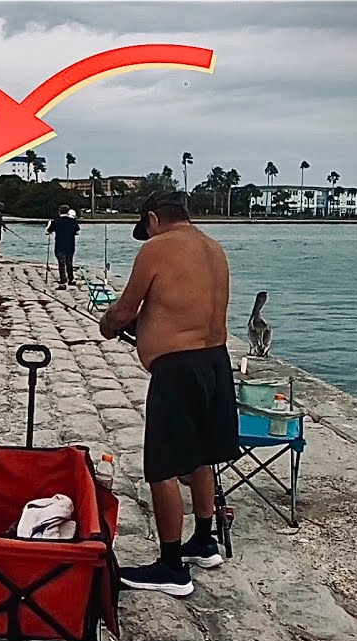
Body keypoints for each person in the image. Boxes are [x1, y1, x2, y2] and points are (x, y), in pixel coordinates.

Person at [98, 190, 241, 597]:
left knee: (162, 467)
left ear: (153, 219)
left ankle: (171, 566)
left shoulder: (157, 248)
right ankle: (204, 541)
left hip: (178, 371)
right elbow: (182, 307)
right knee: (199, 455)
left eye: (146, 229)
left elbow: (125, 310)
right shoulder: (213, 247)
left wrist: (107, 325)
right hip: (215, 361)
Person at [45, 204, 80, 289]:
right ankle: (71, 279)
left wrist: (49, 224)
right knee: (69, 262)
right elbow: (77, 232)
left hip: (60, 245)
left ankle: (63, 282)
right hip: (70, 245)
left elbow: (47, 232)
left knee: (61, 264)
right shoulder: (73, 221)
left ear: (59, 212)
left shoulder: (55, 221)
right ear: (68, 212)